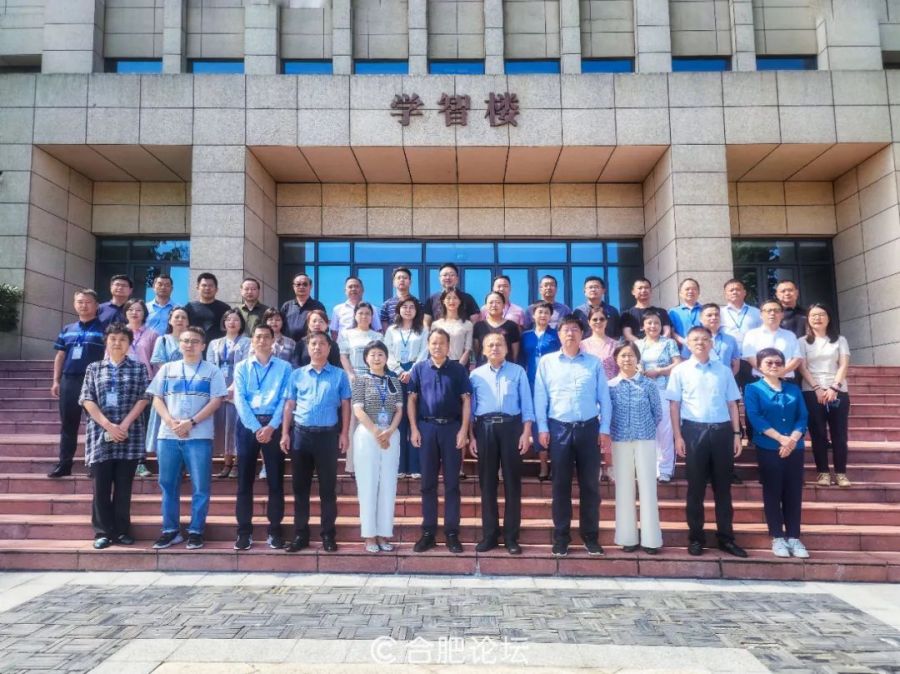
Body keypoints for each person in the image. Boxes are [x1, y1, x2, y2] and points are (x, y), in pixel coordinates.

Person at [534, 315, 612, 558]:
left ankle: (590, 537)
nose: (570, 333)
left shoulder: (593, 363)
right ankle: (561, 537)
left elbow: (604, 397)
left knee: (590, 486)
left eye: (575, 329)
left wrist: (605, 429)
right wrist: (542, 428)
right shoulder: (547, 362)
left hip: (589, 428)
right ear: (559, 335)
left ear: (582, 334)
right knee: (561, 486)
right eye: (566, 330)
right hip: (559, 429)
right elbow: (540, 397)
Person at [666, 326, 746, 558]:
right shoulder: (680, 371)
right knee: (695, 489)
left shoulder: (723, 371)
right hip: (693, 432)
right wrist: (678, 436)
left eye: (704, 339)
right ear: (688, 344)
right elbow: (674, 406)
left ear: (711, 343)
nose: (700, 343)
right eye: (695, 340)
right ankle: (696, 538)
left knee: (723, 489)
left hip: (722, 432)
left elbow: (732, 404)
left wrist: (737, 434)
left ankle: (726, 538)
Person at [147, 326, 227, 550]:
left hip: (198, 436)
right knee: (168, 484)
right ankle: (170, 531)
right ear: (179, 344)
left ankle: (196, 531)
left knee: (200, 485)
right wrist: (171, 422)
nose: (189, 345)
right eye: (185, 341)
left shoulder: (212, 371)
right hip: (168, 435)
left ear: (203, 345)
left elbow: (216, 401)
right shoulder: (167, 369)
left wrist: (191, 422)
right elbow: (156, 398)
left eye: (194, 341)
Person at [79, 323, 151, 549]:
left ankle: (121, 531)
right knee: (101, 487)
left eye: (122, 339)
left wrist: (124, 424)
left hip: (129, 435)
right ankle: (102, 532)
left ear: (129, 344)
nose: (117, 343)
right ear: (106, 342)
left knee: (123, 488)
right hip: (100, 435)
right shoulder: (94, 368)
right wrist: (108, 425)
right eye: (113, 339)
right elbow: (87, 399)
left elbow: (144, 397)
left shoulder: (138, 368)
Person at [281, 332, 351, 553]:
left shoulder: (339, 375)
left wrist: (344, 433)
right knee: (300, 489)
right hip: (301, 436)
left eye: (322, 344)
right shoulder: (297, 375)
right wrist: (284, 433)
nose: (317, 347)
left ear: (329, 348)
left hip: (328, 437)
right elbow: (289, 405)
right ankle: (300, 535)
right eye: (313, 344)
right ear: (307, 347)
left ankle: (328, 535)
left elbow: (346, 405)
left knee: (327, 490)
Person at [469, 331, 534, 555]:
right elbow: (471, 409)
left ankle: (511, 537)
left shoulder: (518, 372)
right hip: (485, 428)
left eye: (499, 344)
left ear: (507, 349)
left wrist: (526, 432)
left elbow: (527, 404)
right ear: (483, 350)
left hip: (511, 428)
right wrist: (472, 436)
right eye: (490, 345)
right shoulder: (475, 375)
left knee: (512, 483)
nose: (495, 348)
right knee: (487, 483)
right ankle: (490, 535)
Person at [407, 329, 472, 553]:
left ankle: (452, 533)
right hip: (426, 428)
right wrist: (414, 428)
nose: (437, 346)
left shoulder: (458, 369)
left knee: (452, 483)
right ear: (428, 344)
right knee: (428, 484)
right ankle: (428, 533)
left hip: (452, 429)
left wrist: (464, 430)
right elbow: (412, 400)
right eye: (433, 343)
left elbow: (466, 401)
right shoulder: (419, 369)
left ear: (448, 345)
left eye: (442, 343)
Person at [232, 324, 293, 551]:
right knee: (244, 481)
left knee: (275, 482)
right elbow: (239, 399)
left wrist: (272, 426)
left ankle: (275, 532)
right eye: (258, 337)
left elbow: (285, 399)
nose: (262, 341)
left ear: (273, 341)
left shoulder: (285, 367)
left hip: (274, 426)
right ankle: (244, 533)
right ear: (252, 341)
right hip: (248, 425)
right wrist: (256, 427)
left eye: (267, 337)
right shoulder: (242, 367)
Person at [744, 347, 810, 559]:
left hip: (795, 447)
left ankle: (794, 537)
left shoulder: (793, 389)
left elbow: (802, 417)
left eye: (778, 362)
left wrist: (792, 439)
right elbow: (755, 418)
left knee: (793, 493)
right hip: (768, 447)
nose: (774, 366)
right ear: (759, 366)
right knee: (772, 492)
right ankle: (777, 537)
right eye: (769, 363)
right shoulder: (753, 389)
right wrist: (782, 439)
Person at [607, 343, 663, 554]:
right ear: (616, 359)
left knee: (648, 487)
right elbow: (606, 413)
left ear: (637, 358)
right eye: (623, 356)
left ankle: (651, 540)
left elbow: (657, 413)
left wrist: (643, 427)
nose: (627, 359)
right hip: (619, 439)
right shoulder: (610, 386)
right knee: (624, 488)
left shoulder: (648, 385)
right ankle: (627, 537)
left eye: (631, 355)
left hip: (645, 439)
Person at [351, 340, 404, 553]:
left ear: (386, 358)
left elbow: (399, 410)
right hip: (367, 434)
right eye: (372, 354)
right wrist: (376, 432)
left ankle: (383, 534)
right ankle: (369, 536)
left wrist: (389, 432)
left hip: (390, 434)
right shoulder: (360, 381)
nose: (376, 358)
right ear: (366, 358)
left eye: (380, 354)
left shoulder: (394, 381)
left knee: (388, 485)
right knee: (368, 484)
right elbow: (358, 410)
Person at [48, 289, 106, 478]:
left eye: (88, 302)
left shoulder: (105, 329)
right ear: (74, 304)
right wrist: (56, 380)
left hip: (94, 381)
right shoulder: (67, 329)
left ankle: (95, 464)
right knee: (68, 424)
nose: (83, 305)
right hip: (69, 380)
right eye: (80, 302)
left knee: (96, 424)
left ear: (96, 305)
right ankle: (64, 464)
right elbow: (60, 355)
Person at [797, 303, 852, 488]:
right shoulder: (802, 341)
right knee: (818, 433)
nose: (817, 318)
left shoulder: (840, 340)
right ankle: (823, 473)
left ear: (828, 318)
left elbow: (843, 365)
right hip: (812, 391)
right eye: (813, 315)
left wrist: (834, 388)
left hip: (838, 391)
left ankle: (841, 473)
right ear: (808, 319)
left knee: (839, 434)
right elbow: (802, 367)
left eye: (821, 314)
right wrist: (817, 388)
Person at [635, 311, 682, 483]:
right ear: (643, 326)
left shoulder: (669, 343)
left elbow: (678, 364)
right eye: (649, 323)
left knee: (665, 430)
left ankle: (665, 469)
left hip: (664, 390)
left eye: (656, 323)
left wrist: (659, 371)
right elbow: (632, 363)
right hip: (643, 391)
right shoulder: (638, 344)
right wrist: (638, 369)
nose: (653, 326)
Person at [384, 296, 428, 479]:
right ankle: (400, 466)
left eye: (412, 307)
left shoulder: (423, 330)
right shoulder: (391, 330)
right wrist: (399, 370)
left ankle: (416, 466)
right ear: (399, 310)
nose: (408, 310)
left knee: (415, 418)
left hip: (416, 373)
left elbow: (425, 351)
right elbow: (387, 352)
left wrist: (411, 371)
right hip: (395, 373)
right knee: (398, 418)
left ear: (416, 311)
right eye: (405, 307)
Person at [518, 302, 561, 481]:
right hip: (531, 383)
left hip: (553, 383)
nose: (543, 315)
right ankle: (543, 465)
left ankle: (557, 464)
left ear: (551, 316)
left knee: (554, 421)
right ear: (533, 315)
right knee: (537, 422)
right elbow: (521, 359)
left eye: (546, 313)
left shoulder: (556, 335)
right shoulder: (525, 336)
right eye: (540, 312)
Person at [338, 302, 383, 476]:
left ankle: (372, 463)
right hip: (354, 379)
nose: (364, 316)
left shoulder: (378, 336)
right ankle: (353, 466)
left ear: (372, 317)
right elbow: (343, 356)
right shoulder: (347, 334)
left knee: (372, 422)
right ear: (355, 315)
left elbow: (382, 358)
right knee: (353, 423)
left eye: (367, 313)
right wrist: (350, 374)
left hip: (374, 380)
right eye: (361, 313)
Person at [206, 309, 251, 479]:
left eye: (236, 319)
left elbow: (245, 366)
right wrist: (220, 389)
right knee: (224, 426)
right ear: (223, 322)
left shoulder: (247, 342)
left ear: (241, 323)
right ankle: (227, 463)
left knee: (236, 425)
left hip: (239, 390)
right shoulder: (214, 343)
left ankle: (238, 463)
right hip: (219, 391)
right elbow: (211, 367)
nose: (232, 322)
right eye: (228, 319)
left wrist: (232, 388)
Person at [146, 306, 189, 457]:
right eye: (176, 317)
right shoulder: (163, 340)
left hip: (188, 386)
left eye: (183, 317)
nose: (180, 320)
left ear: (188, 322)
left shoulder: (191, 340)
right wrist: (175, 375)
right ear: (170, 320)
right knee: (165, 418)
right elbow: (158, 361)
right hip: (167, 385)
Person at [122, 298, 158, 479]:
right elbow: (108, 355)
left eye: (138, 310)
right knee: (123, 419)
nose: (134, 313)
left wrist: (156, 384)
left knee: (142, 422)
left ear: (144, 314)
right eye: (130, 309)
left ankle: (140, 462)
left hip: (145, 381)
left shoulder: (152, 334)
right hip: (122, 381)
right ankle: (123, 460)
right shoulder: (119, 332)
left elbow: (155, 362)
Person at [742, 300, 803, 380]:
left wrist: (781, 373)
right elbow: (750, 357)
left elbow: (797, 358)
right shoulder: (751, 334)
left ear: (782, 315)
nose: (772, 313)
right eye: (768, 311)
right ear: (761, 315)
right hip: (761, 380)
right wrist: (770, 375)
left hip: (786, 380)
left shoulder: (790, 335)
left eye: (776, 310)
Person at [423, 262, 481, 327]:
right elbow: (426, 322)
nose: (448, 277)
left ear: (457, 278)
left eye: (452, 275)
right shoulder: (432, 299)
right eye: (445, 275)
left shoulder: (467, 298)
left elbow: (475, 321)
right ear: (439, 278)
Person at [473, 291, 521, 365]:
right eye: (491, 302)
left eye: (498, 302)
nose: (494, 305)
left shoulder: (512, 326)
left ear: (503, 305)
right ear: (486, 306)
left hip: (506, 367)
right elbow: (477, 350)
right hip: (483, 367)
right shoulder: (478, 326)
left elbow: (515, 352)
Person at [185, 272, 231, 347]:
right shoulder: (189, 308)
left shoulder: (225, 308)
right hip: (194, 348)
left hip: (218, 349)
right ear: (197, 288)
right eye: (204, 285)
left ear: (216, 289)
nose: (207, 288)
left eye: (210, 286)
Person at [621, 277, 672, 343]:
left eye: (646, 288)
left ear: (651, 291)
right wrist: (643, 345)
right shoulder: (627, 314)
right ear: (633, 292)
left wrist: (657, 345)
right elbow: (627, 335)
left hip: (660, 346)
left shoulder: (662, 312)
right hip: (637, 347)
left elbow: (667, 331)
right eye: (640, 288)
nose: (643, 290)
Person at [431, 289, 474, 366]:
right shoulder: (436, 325)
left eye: (455, 298)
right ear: (443, 301)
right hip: (440, 363)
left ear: (460, 301)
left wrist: (459, 367)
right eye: (448, 298)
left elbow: (468, 349)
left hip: (460, 363)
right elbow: (433, 347)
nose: (452, 301)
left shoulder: (467, 324)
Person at [281, 272, 327, 342]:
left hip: (310, 346)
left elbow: (324, 328)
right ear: (293, 287)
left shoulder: (318, 306)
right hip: (289, 346)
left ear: (310, 286)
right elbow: (280, 327)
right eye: (298, 284)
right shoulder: (286, 306)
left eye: (305, 284)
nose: (301, 287)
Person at [580, 306, 619, 380]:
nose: (598, 322)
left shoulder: (616, 345)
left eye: (602, 319)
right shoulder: (581, 345)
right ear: (589, 322)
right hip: (589, 384)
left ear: (606, 322)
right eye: (595, 319)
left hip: (611, 385)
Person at [699, 303, 740, 374]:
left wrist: (728, 378)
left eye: (716, 315)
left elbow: (736, 364)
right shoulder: (694, 339)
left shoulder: (730, 339)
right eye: (709, 315)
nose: (714, 317)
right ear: (701, 319)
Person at [668, 278, 702, 355]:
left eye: (694, 289)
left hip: (702, 352)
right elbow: (671, 332)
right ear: (680, 293)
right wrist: (683, 341)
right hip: (681, 353)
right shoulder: (673, 312)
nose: (690, 291)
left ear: (698, 292)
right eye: (687, 289)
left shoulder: (705, 310)